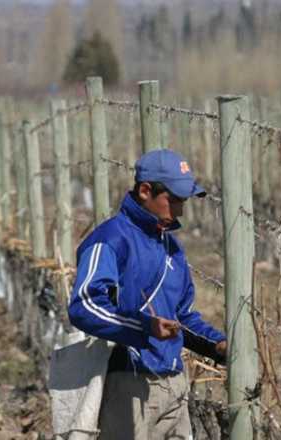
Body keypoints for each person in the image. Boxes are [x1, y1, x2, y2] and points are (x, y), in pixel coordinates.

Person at [68, 149, 227, 439]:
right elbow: (85, 305)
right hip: (127, 382)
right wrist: (143, 327)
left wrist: (216, 345)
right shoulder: (110, 239)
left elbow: (181, 316)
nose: (180, 209)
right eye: (174, 199)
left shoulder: (172, 248)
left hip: (174, 383)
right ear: (145, 190)